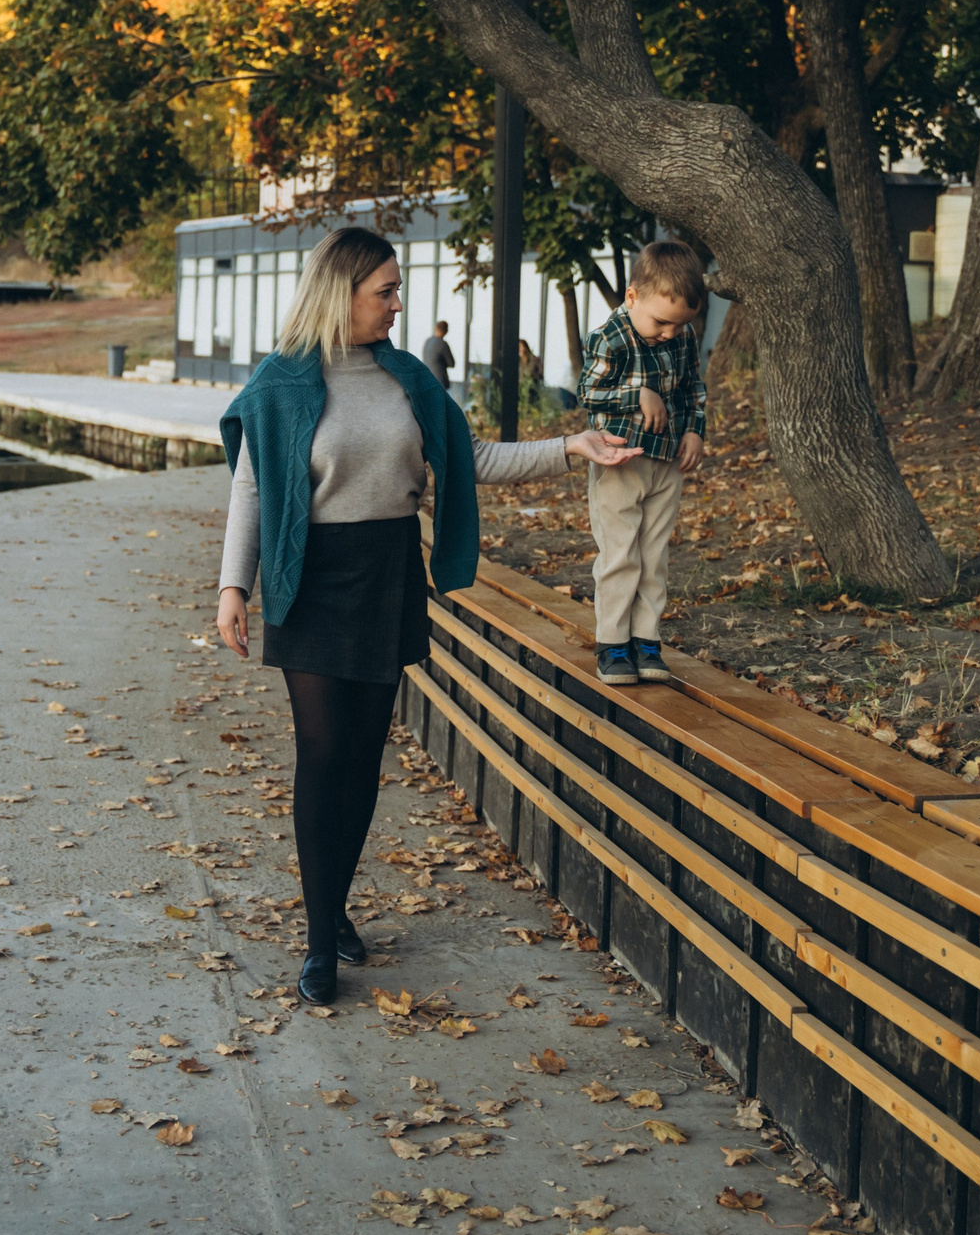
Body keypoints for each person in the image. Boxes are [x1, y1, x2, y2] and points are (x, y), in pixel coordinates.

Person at [216, 227, 634, 1003]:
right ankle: (319, 942)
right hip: (310, 577)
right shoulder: (280, 381)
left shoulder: (408, 378)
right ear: (341, 294)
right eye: (386, 291)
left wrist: (571, 447)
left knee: (363, 756)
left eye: (397, 289)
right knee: (322, 752)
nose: (398, 304)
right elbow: (251, 487)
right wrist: (232, 586)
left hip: (387, 574)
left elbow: (474, 460)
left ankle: (333, 903)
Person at [576, 241, 709, 687]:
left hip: (666, 461)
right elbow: (588, 393)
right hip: (620, 461)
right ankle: (613, 644)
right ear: (631, 297)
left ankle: (646, 640)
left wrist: (695, 430)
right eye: (661, 322)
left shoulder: (682, 336)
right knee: (621, 555)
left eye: (679, 324)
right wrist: (637, 395)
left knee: (654, 556)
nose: (669, 333)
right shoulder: (609, 337)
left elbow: (692, 388)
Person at [420, 319, 458, 392]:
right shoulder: (442, 344)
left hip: (427, 379)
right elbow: (451, 363)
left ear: (436, 329)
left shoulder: (428, 341)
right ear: (446, 331)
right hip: (440, 381)